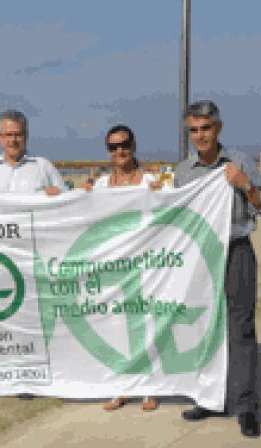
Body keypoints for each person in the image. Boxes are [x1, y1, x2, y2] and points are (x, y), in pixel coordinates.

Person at [174, 101, 261, 438]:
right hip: (200, 257)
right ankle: (210, 398)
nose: (200, 135)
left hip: (236, 251)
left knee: (240, 327)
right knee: (205, 328)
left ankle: (245, 406)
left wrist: (244, 183)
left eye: (206, 128)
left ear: (218, 128)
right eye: (194, 129)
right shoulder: (182, 171)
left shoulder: (239, 161)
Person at [86, 124, 159, 411]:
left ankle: (151, 388)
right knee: (115, 325)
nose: (120, 151)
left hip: (147, 263)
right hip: (112, 264)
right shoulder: (102, 185)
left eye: (124, 144)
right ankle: (121, 387)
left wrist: (161, 193)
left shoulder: (150, 180)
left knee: (148, 323)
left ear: (134, 144)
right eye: (113, 147)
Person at [0, 109, 65, 195]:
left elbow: (68, 202)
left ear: (26, 136)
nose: (13, 140)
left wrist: (59, 194)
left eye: (18, 135)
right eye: (8, 135)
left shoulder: (44, 168)